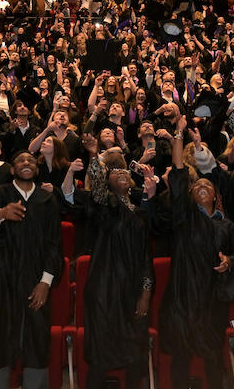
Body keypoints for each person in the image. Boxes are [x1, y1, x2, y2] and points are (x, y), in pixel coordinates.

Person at [157, 115, 234, 389]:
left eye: (208, 186)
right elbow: (179, 172)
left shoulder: (228, 226)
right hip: (183, 296)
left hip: (212, 299)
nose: (203, 187)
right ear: (191, 195)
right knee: (181, 358)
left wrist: (230, 261)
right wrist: (178, 134)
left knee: (213, 358)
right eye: (198, 186)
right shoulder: (185, 218)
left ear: (216, 196)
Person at [61, 153, 156, 389]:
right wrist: (94, 157)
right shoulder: (105, 207)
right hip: (105, 289)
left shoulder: (140, 213)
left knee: (135, 355)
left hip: (133, 290)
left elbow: (146, 255)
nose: (121, 173)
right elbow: (97, 192)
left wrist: (145, 293)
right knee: (101, 355)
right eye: (115, 173)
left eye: (124, 172)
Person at [0, 152, 63, 389]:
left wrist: (45, 282)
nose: (26, 163)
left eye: (31, 161)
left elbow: (54, 244)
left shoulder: (47, 200)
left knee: (36, 341)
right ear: (12, 170)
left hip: (35, 280)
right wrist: (1, 214)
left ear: (37, 169)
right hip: (2, 280)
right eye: (21, 161)